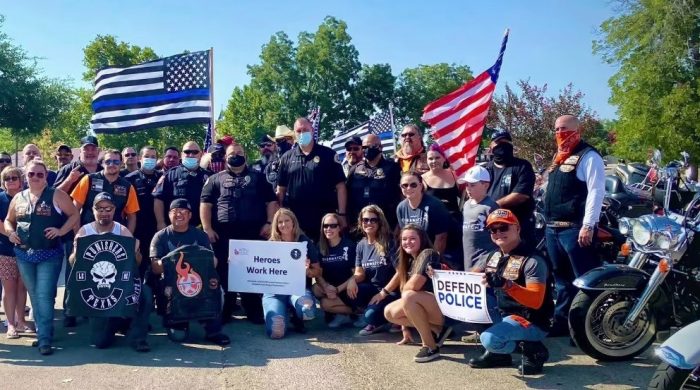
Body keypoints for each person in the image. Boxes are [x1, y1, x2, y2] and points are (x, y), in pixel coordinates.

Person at [3, 160, 79, 355]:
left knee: (44, 295)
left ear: (46, 176)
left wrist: (61, 230)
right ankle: (45, 329)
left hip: (50, 254)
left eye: (39, 174)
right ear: (25, 177)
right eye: (31, 174)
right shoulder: (18, 198)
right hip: (24, 255)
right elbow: (9, 221)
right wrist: (10, 233)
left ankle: (44, 338)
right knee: (36, 295)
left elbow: (74, 215)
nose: (35, 178)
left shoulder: (57, 195)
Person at [468, 209, 554, 375]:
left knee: (489, 339)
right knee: (471, 311)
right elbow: (470, 278)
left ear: (517, 228)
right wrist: (442, 273)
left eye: (504, 227)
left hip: (531, 320)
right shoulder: (493, 256)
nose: (499, 232)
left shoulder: (533, 260)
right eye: (494, 229)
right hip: (504, 313)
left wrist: (507, 285)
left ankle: (534, 351)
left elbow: (535, 301)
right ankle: (499, 355)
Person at [200, 143, 278, 324]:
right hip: (223, 234)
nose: (236, 155)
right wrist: (207, 228)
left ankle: (254, 310)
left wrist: (269, 223)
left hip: (252, 233)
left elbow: (272, 202)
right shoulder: (214, 179)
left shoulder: (259, 178)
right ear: (225, 157)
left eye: (239, 153)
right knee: (225, 272)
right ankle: (225, 310)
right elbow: (205, 204)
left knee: (251, 272)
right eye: (232, 153)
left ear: (246, 156)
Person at [544, 114, 605, 336]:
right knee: (561, 281)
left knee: (585, 281)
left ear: (577, 131)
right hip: (553, 228)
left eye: (564, 129)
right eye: (557, 129)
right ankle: (562, 324)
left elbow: (596, 191)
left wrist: (588, 225)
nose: (560, 133)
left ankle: (586, 330)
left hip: (575, 229)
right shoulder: (558, 157)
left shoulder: (589, 156)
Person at [69, 192, 152, 352]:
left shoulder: (122, 230)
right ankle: (118, 322)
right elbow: (72, 263)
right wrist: (76, 253)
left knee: (146, 293)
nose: (104, 212)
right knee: (100, 342)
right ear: (93, 210)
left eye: (108, 209)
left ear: (114, 210)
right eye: (100, 209)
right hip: (96, 291)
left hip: (122, 285)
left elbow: (137, 262)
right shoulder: (84, 232)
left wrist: (136, 252)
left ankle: (138, 337)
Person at [150, 199, 230, 346]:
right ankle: (179, 322)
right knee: (178, 337)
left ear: (190, 215)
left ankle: (213, 329)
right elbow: (155, 267)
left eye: (183, 212)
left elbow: (214, 262)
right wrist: (174, 259)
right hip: (172, 286)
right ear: (169, 214)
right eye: (175, 212)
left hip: (198, 281)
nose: (179, 214)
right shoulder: (160, 236)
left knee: (217, 289)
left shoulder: (200, 235)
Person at [54, 135, 103, 327]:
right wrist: (69, 179)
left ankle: (91, 308)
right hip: (72, 230)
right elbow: (53, 194)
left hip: (98, 230)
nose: (90, 152)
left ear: (98, 151)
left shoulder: (103, 169)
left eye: (93, 149)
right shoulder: (70, 169)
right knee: (74, 270)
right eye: (86, 149)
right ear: (80, 151)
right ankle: (70, 310)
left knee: (95, 270)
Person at [384, 224, 447, 363]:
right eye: (404, 239)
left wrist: (406, 294)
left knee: (409, 295)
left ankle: (430, 347)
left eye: (413, 238)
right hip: (429, 306)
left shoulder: (428, 253)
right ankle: (437, 329)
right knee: (389, 312)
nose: (408, 242)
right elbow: (405, 291)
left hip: (447, 308)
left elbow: (413, 286)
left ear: (422, 239)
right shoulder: (410, 260)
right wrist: (404, 328)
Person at [276, 117, 347, 241]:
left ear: (312, 130)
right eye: (298, 131)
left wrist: (342, 214)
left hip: (325, 219)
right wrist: (281, 215)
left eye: (305, 130)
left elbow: (340, 187)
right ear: (294, 134)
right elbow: (281, 190)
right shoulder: (286, 158)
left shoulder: (328, 154)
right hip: (296, 220)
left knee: (325, 255)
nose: (302, 133)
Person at [263, 208, 321, 339]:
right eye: (280, 222)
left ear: (293, 222)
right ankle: (283, 315)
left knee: (308, 309)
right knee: (276, 332)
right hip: (275, 292)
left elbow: (318, 271)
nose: (283, 224)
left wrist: (307, 270)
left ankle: (295, 314)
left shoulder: (304, 242)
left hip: (297, 288)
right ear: (276, 226)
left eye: (287, 220)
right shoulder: (270, 244)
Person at [346, 205, 398, 335]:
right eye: (365, 220)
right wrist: (352, 280)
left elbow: (400, 273)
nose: (369, 223)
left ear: (380, 222)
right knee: (352, 292)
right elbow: (360, 274)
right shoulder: (361, 245)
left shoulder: (389, 242)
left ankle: (389, 318)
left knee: (370, 317)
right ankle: (377, 315)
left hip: (391, 291)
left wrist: (383, 293)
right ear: (361, 222)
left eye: (373, 220)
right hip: (372, 289)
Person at [484, 130, 537, 245]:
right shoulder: (485, 169)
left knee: (522, 259)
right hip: (493, 227)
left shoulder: (522, 166)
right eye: (498, 142)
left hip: (519, 224)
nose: (502, 145)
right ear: (491, 147)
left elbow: (521, 195)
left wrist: (493, 206)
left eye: (506, 142)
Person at [396, 172, 459, 269]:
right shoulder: (401, 208)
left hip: (444, 254)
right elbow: (405, 237)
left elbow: (441, 238)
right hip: (417, 255)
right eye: (404, 185)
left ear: (420, 186)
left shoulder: (435, 205)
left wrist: (432, 263)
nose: (409, 188)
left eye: (413, 185)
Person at [70, 149, 139, 234]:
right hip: (89, 232)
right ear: (102, 163)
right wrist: (78, 235)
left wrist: (127, 239)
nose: (111, 164)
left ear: (121, 164)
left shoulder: (127, 186)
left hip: (115, 234)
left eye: (116, 162)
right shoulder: (88, 180)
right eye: (108, 161)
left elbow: (132, 216)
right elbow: (74, 210)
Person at [346, 134, 402, 229]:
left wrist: (399, 224)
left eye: (371, 146)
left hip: (386, 224)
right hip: (360, 225)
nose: (367, 149)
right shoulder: (354, 169)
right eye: (364, 147)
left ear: (380, 147)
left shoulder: (393, 168)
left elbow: (402, 195)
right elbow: (347, 194)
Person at [0, 166, 31, 339]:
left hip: (27, 250)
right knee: (9, 287)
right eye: (7, 178)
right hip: (5, 249)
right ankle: (10, 324)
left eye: (14, 178)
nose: (11, 181)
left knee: (22, 287)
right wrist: (11, 235)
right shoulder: (0, 199)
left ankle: (22, 321)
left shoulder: (28, 197)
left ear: (21, 179)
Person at [153, 141, 211, 230]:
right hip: (174, 228)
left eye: (195, 152)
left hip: (201, 229)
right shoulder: (169, 175)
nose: (191, 155)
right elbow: (158, 199)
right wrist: (161, 222)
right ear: (181, 154)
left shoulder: (209, 176)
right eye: (187, 152)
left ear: (201, 154)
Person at [312, 213, 357, 328]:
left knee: (325, 303)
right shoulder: (320, 247)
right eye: (325, 226)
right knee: (316, 289)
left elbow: (356, 274)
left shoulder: (349, 246)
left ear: (339, 227)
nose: (328, 229)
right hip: (330, 287)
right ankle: (341, 314)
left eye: (333, 225)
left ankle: (360, 313)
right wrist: (326, 286)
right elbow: (318, 273)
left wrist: (337, 289)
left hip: (347, 288)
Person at [125, 146, 162, 279]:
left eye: (153, 157)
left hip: (158, 229)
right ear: (140, 158)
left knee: (157, 267)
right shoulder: (129, 179)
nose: (150, 159)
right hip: (138, 229)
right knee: (138, 269)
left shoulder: (163, 177)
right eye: (147, 156)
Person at [460, 165, 499, 269]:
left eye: (472, 185)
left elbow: (498, 237)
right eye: (467, 185)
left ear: (485, 185)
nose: (468, 188)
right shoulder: (466, 205)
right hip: (468, 260)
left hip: (485, 261)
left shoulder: (490, 207)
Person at [263, 125, 295, 190]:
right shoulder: (270, 168)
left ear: (292, 140)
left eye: (286, 139)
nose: (281, 143)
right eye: (278, 140)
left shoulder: (301, 162)